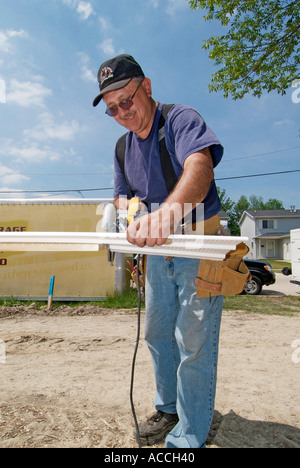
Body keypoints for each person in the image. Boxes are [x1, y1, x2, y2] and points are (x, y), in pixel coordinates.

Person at [93, 54, 224, 449]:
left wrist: (166, 215)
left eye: (127, 100)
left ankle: (187, 438)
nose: (122, 112)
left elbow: (200, 167)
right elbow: (121, 198)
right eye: (113, 109)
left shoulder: (180, 120)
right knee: (156, 334)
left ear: (146, 87)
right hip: (156, 251)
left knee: (193, 340)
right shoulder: (121, 148)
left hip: (197, 242)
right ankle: (169, 410)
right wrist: (124, 219)